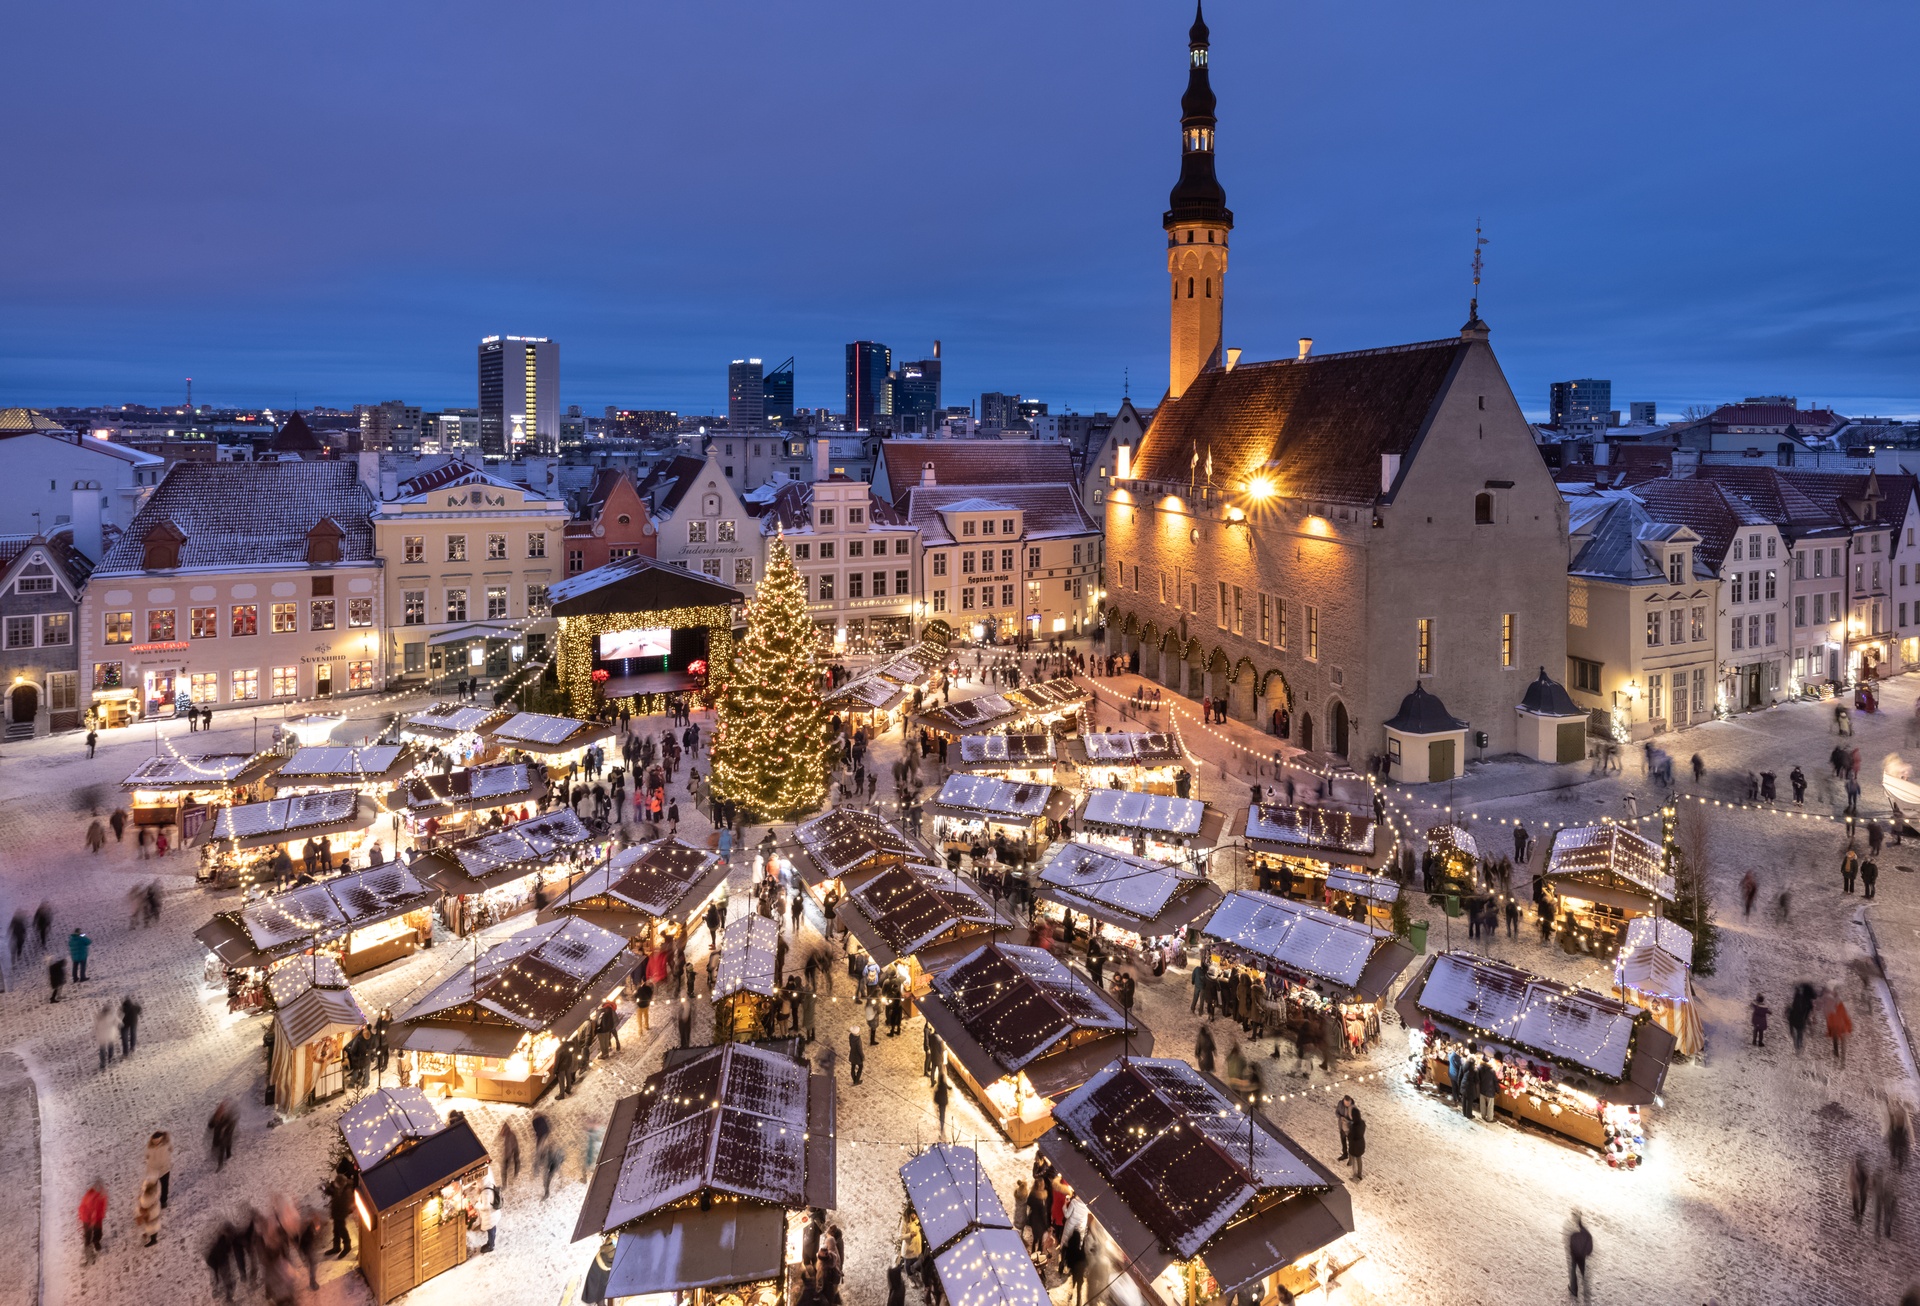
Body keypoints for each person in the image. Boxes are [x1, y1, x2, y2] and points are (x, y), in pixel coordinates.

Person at [325, 1168, 355, 1255]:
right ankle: (336, 1247)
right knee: (336, 1231)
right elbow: (333, 1192)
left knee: (342, 1230)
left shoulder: (346, 1191)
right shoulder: (340, 1188)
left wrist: (333, 1191)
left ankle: (347, 1246)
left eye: (337, 1185)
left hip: (340, 1214)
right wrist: (329, 1189)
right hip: (336, 1213)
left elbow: (341, 1202)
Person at [79, 1180, 107, 1263]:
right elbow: (88, 1210)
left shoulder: (101, 1195)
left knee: (98, 1232)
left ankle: (96, 1242)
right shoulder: (89, 1198)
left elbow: (103, 1205)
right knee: (87, 1236)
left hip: (97, 1217)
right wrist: (91, 1221)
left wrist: (100, 1215)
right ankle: (88, 1256)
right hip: (87, 1219)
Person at [1566, 1213, 1593, 1300]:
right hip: (1581, 1256)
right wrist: (1586, 1253)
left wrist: (1572, 1251)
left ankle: (1574, 1290)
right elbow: (1589, 1248)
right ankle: (1586, 1293)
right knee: (1583, 1272)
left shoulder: (1574, 1234)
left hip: (1575, 1254)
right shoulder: (1587, 1235)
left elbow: (1571, 1244)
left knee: (1573, 1271)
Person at [146, 1129, 173, 1208]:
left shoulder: (150, 1146)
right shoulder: (166, 1143)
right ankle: (163, 1202)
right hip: (164, 1170)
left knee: (152, 1187)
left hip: (152, 1170)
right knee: (165, 1186)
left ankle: (150, 1202)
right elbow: (171, 1149)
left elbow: (146, 1155)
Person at [134, 1176, 163, 1247]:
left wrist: (145, 1212)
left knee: (152, 1225)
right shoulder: (150, 1183)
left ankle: (153, 1239)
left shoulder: (154, 1192)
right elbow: (143, 1189)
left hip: (151, 1212)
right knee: (148, 1224)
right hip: (147, 1210)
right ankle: (148, 1233)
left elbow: (154, 1203)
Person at [1830, 999, 1854, 1067]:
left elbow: (1847, 1020)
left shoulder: (1841, 1011)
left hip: (1842, 1030)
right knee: (1837, 1046)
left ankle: (1841, 1061)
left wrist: (1849, 1030)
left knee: (1841, 1046)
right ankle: (1839, 1060)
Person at [94, 1003, 117, 1072]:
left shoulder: (99, 1017)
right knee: (111, 1046)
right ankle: (110, 1058)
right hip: (110, 1034)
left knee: (102, 1050)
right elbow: (117, 1022)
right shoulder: (112, 1016)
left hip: (102, 1036)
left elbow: (96, 1026)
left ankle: (103, 1064)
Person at [1346, 1106, 1366, 1180]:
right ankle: (1360, 1174)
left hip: (1354, 1145)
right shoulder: (1362, 1123)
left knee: (1353, 1156)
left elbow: (1350, 1136)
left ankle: (1354, 1174)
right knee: (1359, 1158)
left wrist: (1349, 1129)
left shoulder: (1353, 1127)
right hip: (1361, 1143)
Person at [120, 993, 143, 1058]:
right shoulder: (135, 1007)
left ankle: (125, 1053)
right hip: (134, 1022)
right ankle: (132, 1047)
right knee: (133, 1034)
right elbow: (139, 1010)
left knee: (125, 1038)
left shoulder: (124, 1009)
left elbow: (120, 1016)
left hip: (125, 1023)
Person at [1335, 1094, 1353, 1161]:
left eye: (1348, 1103)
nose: (1347, 1104)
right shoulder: (1340, 1104)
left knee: (1351, 1143)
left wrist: (1348, 1121)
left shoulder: (1353, 1108)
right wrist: (1340, 1117)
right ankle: (1345, 1154)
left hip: (1349, 1129)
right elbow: (1336, 1112)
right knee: (1343, 1141)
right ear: (1344, 1101)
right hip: (1342, 1126)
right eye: (1346, 1103)